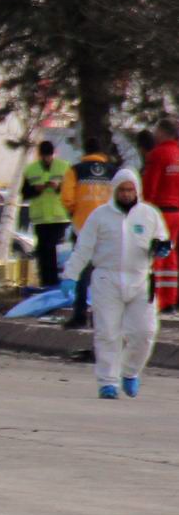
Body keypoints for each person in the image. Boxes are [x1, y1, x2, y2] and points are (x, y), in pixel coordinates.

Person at [66, 167, 172, 399]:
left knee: (144, 332)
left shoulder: (149, 215)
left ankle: (131, 371)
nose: (126, 194)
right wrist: (70, 276)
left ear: (137, 191)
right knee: (107, 333)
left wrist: (162, 247)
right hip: (107, 279)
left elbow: (162, 239)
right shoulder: (100, 216)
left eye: (130, 190)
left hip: (140, 279)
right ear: (115, 190)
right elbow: (83, 248)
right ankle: (108, 382)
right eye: (122, 190)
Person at [61, 139, 117, 329]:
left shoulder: (75, 171)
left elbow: (67, 198)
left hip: (82, 227)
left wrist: (74, 211)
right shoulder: (112, 171)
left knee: (82, 272)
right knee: (105, 274)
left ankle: (79, 315)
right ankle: (100, 317)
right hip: (108, 228)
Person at [21, 139, 72, 288]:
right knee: (43, 252)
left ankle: (58, 283)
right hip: (41, 219)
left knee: (58, 253)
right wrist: (35, 190)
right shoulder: (31, 169)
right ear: (39, 155)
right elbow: (24, 193)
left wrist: (58, 187)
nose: (46, 159)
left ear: (53, 154)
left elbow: (70, 189)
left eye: (49, 156)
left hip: (59, 218)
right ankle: (46, 283)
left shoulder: (64, 167)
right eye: (44, 156)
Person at [145, 117, 179, 311]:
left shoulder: (158, 154)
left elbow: (151, 185)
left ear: (163, 132)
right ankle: (170, 299)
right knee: (171, 254)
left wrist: (143, 209)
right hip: (176, 212)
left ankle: (155, 298)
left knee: (156, 254)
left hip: (160, 212)